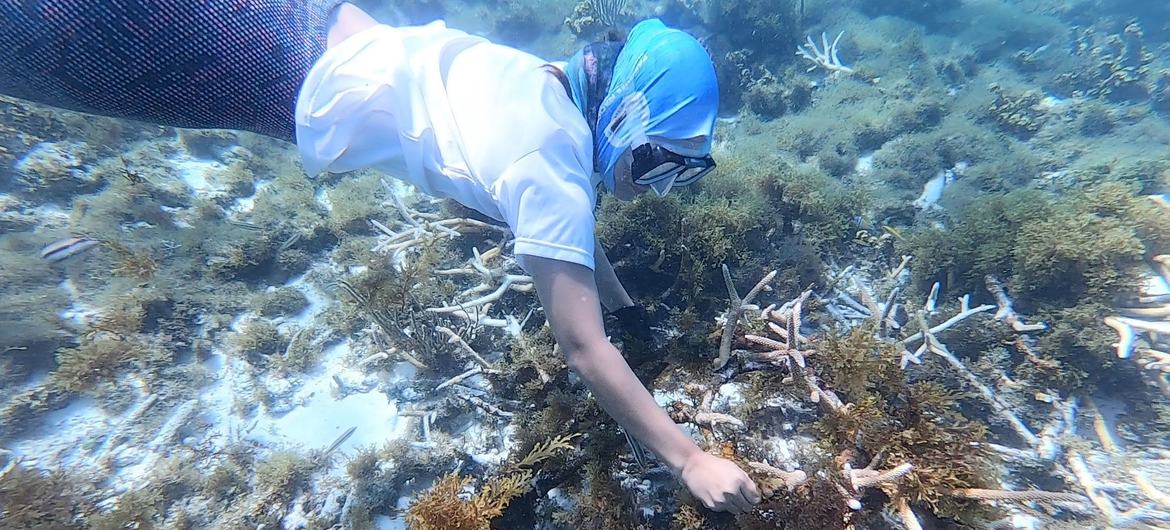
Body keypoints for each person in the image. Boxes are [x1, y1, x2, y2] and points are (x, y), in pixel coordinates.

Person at [0, 1, 762, 514]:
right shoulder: (551, 168)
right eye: (663, 161)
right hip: (262, 71)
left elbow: (577, 240)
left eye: (687, 171)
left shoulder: (554, 88)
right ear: (625, 114)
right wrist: (688, 460)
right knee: (36, 44)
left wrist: (627, 307)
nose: (663, 187)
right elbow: (582, 350)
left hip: (313, 22)